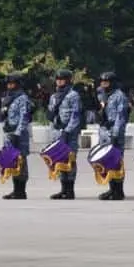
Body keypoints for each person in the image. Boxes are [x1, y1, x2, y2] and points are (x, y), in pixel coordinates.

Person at [47, 70, 82, 200]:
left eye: (62, 79)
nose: (59, 81)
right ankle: (63, 189)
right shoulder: (54, 96)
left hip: (69, 134)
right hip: (57, 132)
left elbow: (75, 115)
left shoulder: (73, 95)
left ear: (68, 80)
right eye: (57, 79)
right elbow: (51, 113)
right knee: (60, 161)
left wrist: (68, 131)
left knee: (70, 160)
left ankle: (70, 190)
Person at [97, 71, 129, 201]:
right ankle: (111, 188)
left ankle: (118, 191)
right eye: (102, 82)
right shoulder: (104, 95)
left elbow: (120, 117)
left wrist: (115, 134)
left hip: (114, 131)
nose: (103, 84)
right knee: (107, 161)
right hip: (105, 130)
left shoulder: (119, 96)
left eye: (106, 82)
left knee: (116, 161)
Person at [0, 73, 32, 200]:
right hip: (9, 133)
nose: (9, 86)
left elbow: (24, 118)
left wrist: (17, 133)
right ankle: (15, 189)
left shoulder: (22, 98)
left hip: (19, 135)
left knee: (21, 162)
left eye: (12, 83)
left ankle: (21, 191)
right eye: (8, 83)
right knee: (12, 161)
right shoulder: (8, 98)